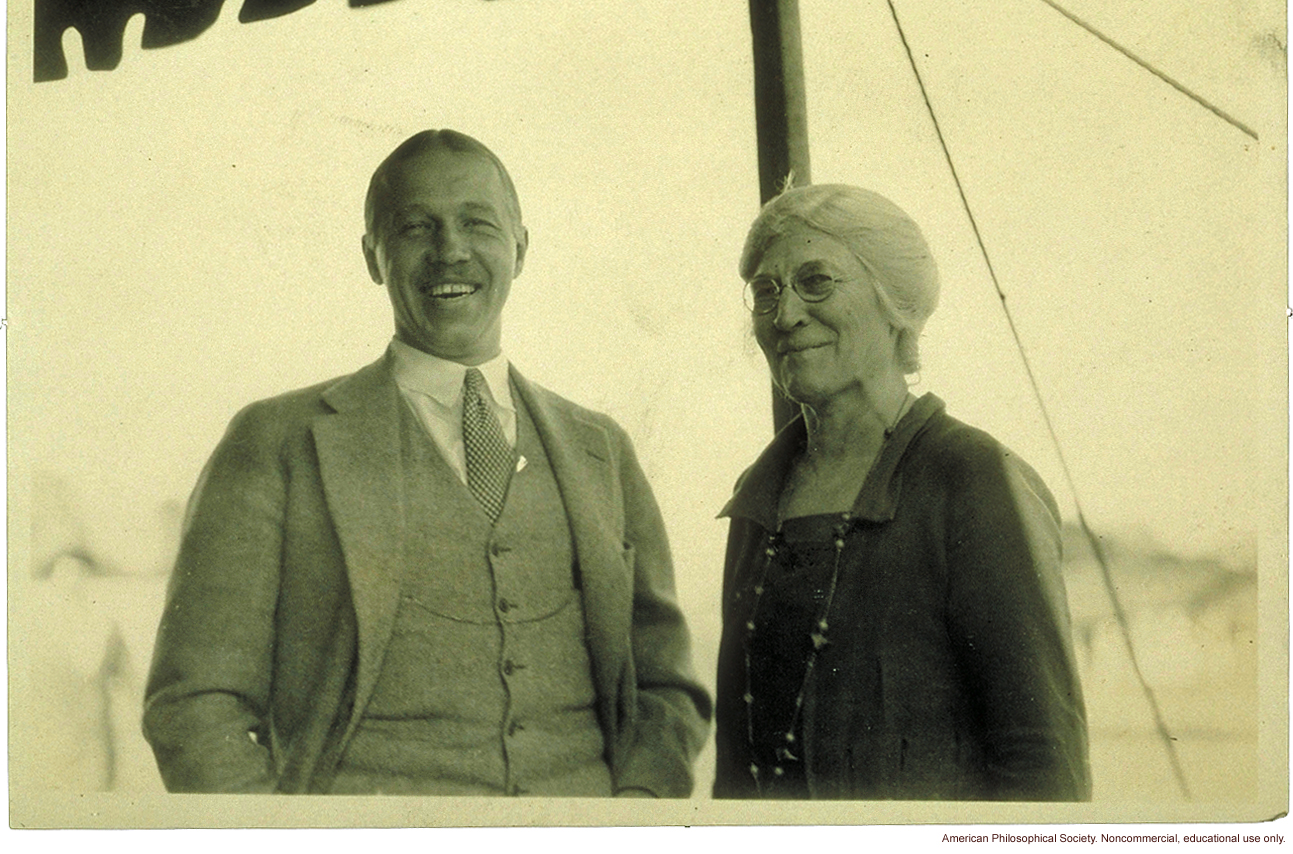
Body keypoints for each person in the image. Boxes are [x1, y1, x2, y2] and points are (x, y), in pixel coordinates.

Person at [143, 129, 710, 796]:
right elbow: (194, 703)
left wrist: (633, 816)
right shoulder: (276, 442)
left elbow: (666, 691)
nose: (451, 251)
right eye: (416, 227)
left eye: (477, 223)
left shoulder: (600, 449)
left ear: (520, 248)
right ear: (371, 256)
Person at [713, 184, 1090, 801]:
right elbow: (735, 769)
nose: (784, 316)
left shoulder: (972, 478)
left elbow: (1042, 760)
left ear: (895, 305)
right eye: (766, 291)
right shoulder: (756, 499)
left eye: (816, 281)